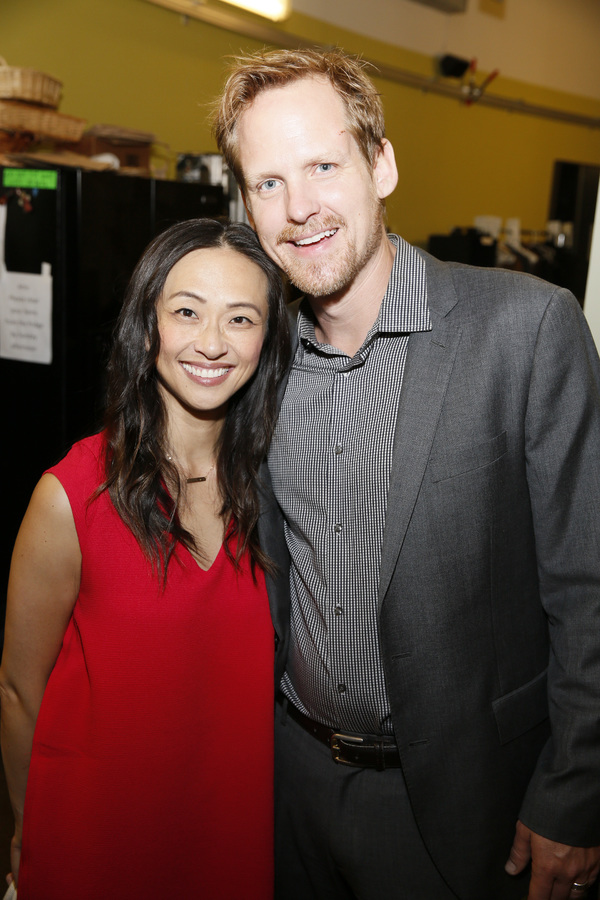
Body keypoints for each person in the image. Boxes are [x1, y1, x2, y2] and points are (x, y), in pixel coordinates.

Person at [213, 48, 600, 900]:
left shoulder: (526, 330)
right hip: (292, 783)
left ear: (381, 164)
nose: (299, 207)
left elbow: (589, 586)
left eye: (322, 165)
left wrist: (574, 795)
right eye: (267, 182)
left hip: (463, 807)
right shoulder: (257, 354)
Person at [0, 217, 290, 899]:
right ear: (147, 323)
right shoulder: (71, 495)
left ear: (267, 342)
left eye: (241, 319)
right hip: (94, 843)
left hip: (232, 837)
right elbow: (17, 691)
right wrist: (24, 826)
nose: (212, 343)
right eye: (187, 311)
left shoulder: (278, 493)